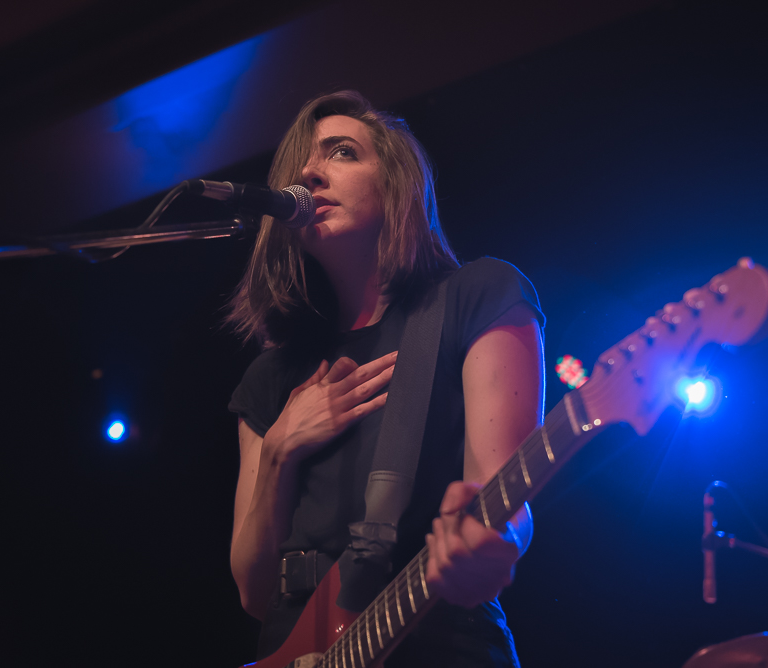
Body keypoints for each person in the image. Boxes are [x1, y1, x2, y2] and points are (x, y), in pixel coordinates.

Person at [227, 90, 545, 666]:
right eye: (302, 160)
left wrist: (486, 544)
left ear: (397, 182)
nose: (308, 173)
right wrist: (278, 451)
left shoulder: (478, 297)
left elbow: (504, 501)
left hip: (437, 642)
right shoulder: (270, 377)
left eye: (342, 152)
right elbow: (253, 592)